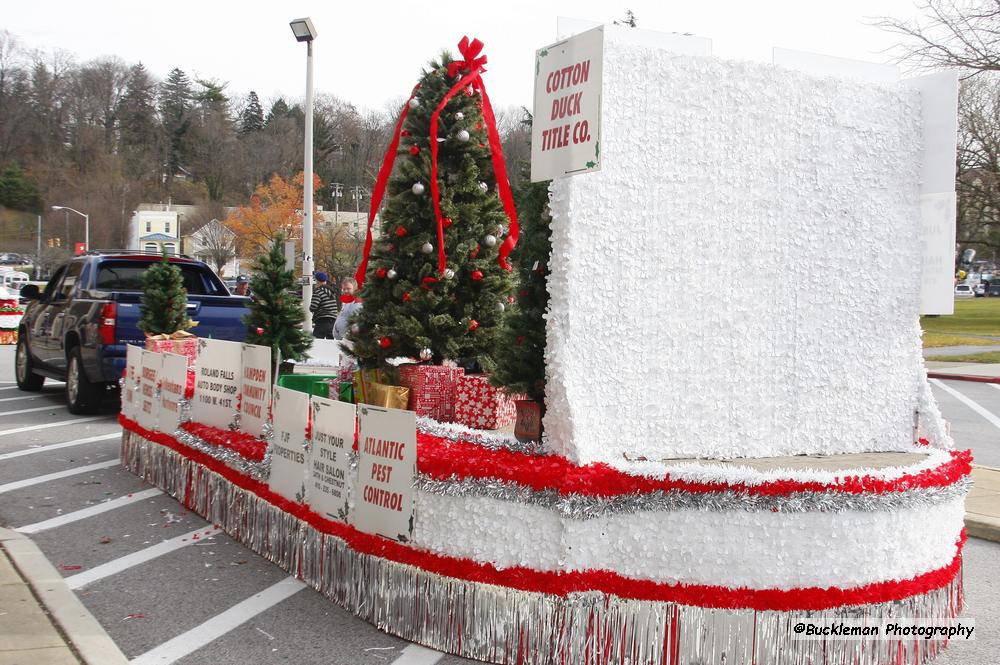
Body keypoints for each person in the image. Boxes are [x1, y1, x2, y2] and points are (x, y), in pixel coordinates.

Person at [310, 272, 338, 339]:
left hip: (322, 320)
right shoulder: (331, 292)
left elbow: (313, 307)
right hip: (332, 321)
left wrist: (311, 308)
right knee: (330, 342)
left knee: (316, 342)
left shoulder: (318, 291)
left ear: (317, 280)